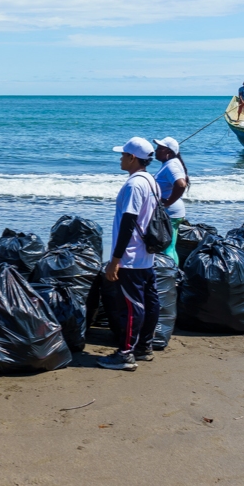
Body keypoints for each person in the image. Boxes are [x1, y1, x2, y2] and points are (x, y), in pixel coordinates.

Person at [98, 137, 161, 372]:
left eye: (123, 155)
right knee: (148, 301)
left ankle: (125, 354)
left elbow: (128, 222)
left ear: (133, 158)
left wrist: (115, 260)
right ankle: (144, 347)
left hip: (131, 256)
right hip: (146, 254)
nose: (120, 158)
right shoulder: (151, 181)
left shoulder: (135, 184)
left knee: (132, 307)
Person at [153, 137, 189, 267]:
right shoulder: (171, 163)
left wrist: (167, 203)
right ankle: (171, 276)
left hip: (170, 213)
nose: (156, 151)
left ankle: (170, 275)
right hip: (172, 213)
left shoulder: (171, 165)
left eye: (159, 148)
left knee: (167, 247)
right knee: (170, 246)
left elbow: (181, 184)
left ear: (168, 151)